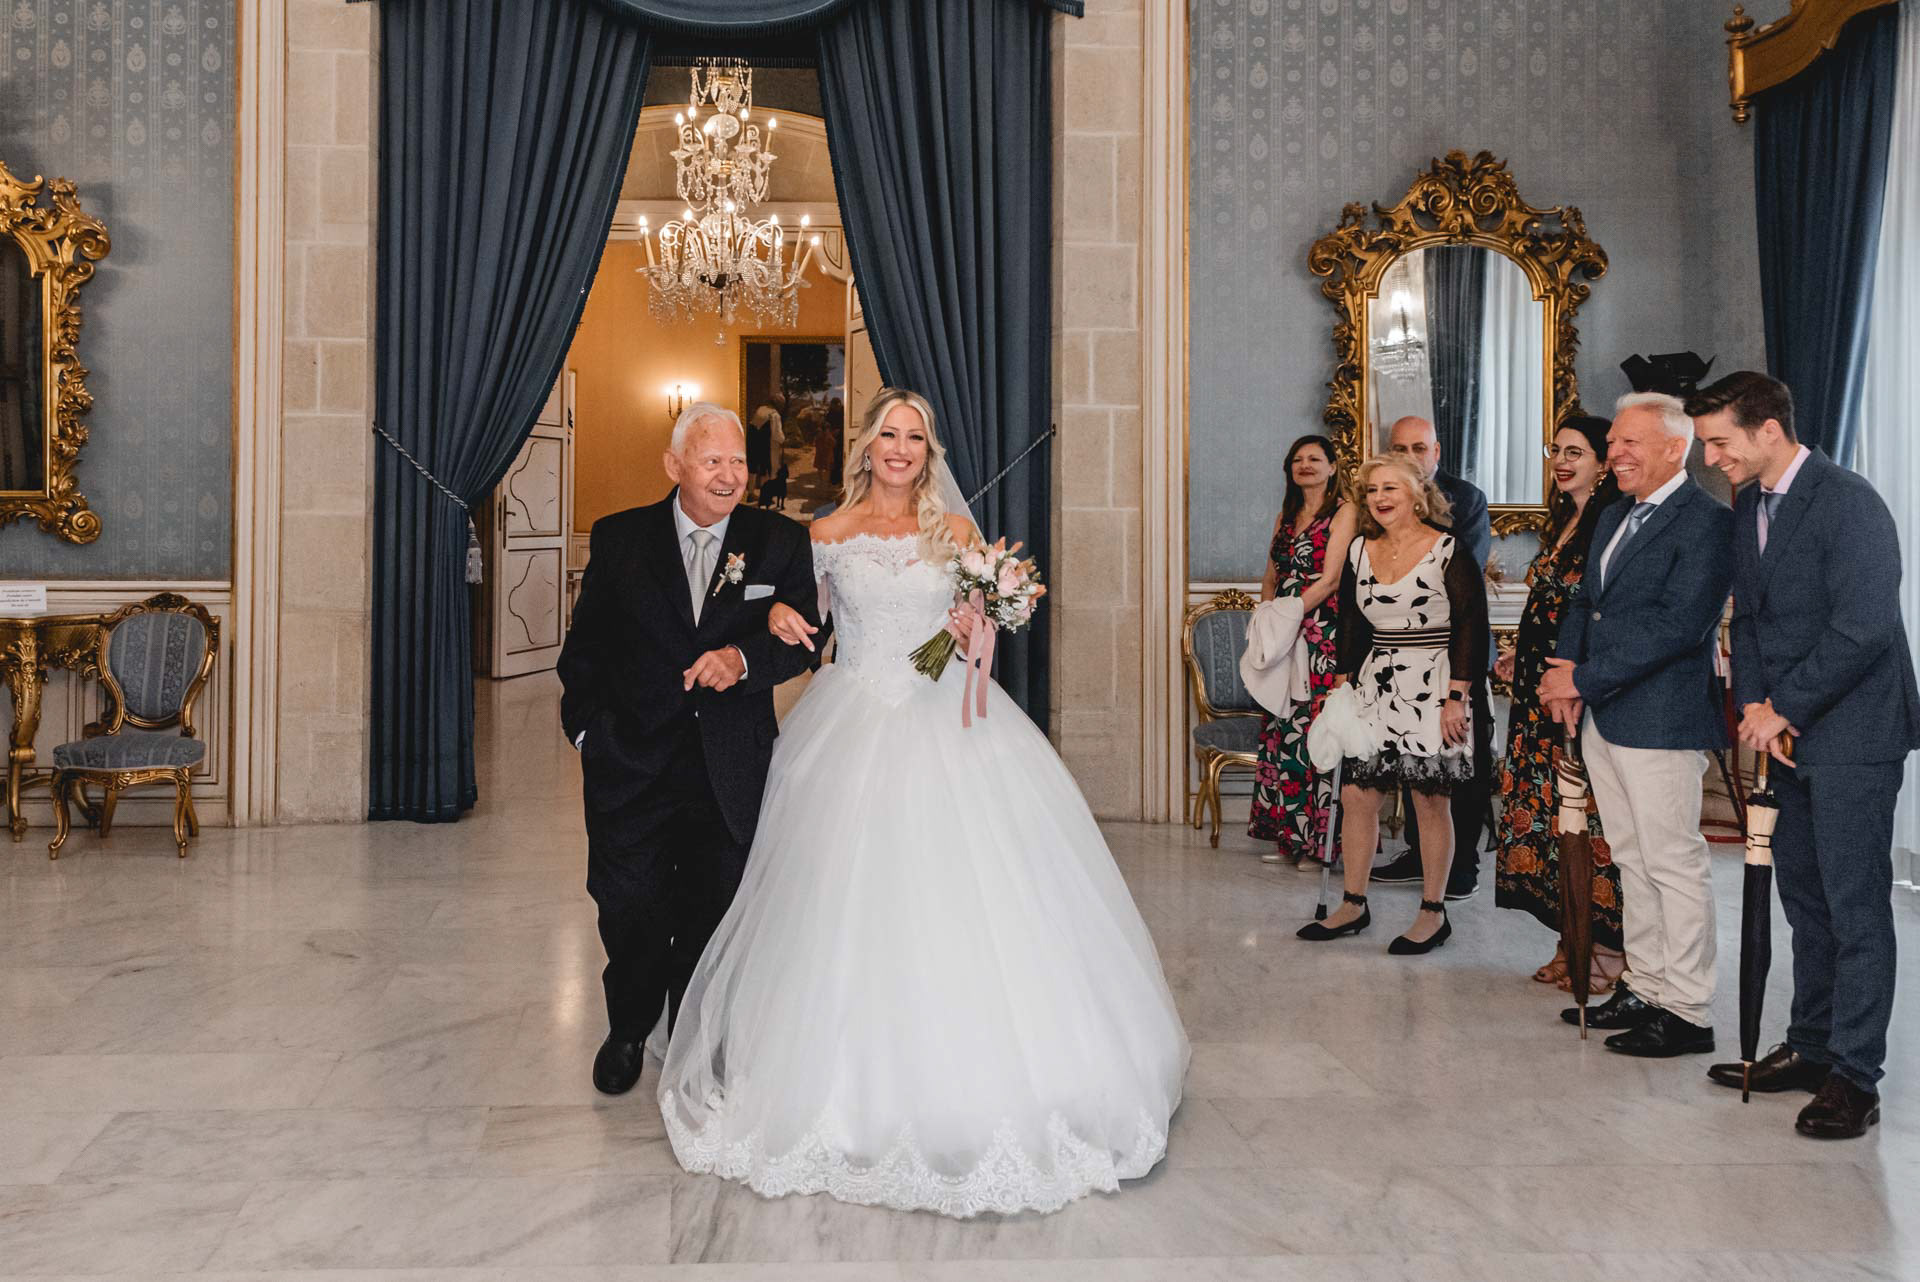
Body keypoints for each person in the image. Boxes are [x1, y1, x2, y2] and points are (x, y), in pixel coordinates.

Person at [657, 387, 1189, 1217]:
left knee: (975, 895)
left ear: (927, 451)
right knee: (843, 904)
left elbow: (953, 633)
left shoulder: (958, 535)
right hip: (848, 723)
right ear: (865, 445)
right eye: (887, 435)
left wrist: (972, 631)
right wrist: (790, 614)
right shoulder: (822, 536)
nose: (899, 449)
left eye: (914, 437)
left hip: (946, 722)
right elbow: (802, 624)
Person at [556, 404, 823, 1097]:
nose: (730, 475)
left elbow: (801, 638)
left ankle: (692, 1032)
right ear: (675, 466)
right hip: (632, 761)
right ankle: (628, 1024)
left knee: (712, 909)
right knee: (630, 907)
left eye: (738, 461)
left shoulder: (778, 541)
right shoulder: (620, 539)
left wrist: (743, 659)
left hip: (727, 765)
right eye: (713, 461)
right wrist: (589, 733)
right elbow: (584, 650)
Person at [1692, 370, 1920, 1139]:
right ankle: (1814, 1047)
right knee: (1807, 902)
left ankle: (1857, 1078)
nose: (1712, 459)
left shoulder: (1849, 501)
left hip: (1855, 734)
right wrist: (1759, 711)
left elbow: (1864, 627)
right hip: (1787, 736)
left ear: (1767, 429)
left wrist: (1783, 707)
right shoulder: (1749, 500)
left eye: (1720, 442)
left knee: (1856, 909)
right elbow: (1750, 622)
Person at [1539, 392, 1732, 1058]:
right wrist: (1565, 667)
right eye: (1613, 442)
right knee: (1629, 858)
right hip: (1606, 716)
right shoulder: (1614, 513)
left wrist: (1581, 680)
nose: (1614, 453)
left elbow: (1679, 628)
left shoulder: (1708, 522)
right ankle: (1646, 988)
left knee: (1673, 863)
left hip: (1663, 717)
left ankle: (1688, 1008)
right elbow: (1584, 601)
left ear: (1674, 448)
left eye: (1629, 444)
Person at [1296, 454, 1487, 954]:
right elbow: (1352, 624)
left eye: (1391, 489)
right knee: (1358, 796)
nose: (1380, 498)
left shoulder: (1447, 550)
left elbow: (1471, 625)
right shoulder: (1360, 550)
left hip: (1436, 682)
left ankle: (1432, 913)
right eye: (1373, 490)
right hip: (1376, 683)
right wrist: (1341, 687)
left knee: (1429, 800)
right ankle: (1353, 904)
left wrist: (1457, 698)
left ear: (1417, 496)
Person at [1493, 415, 1626, 992]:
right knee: (1552, 823)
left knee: (1586, 820)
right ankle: (1569, 942)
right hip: (1533, 693)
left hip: (1575, 693)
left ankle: (1606, 950)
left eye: (1577, 451)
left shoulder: (1609, 523)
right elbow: (1546, 606)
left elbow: (1599, 612)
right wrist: (1514, 652)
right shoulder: (1564, 522)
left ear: (1602, 463)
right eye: (1557, 450)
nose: (1563, 461)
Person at [1372, 415, 1493, 899]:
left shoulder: (1467, 499)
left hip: (1454, 652)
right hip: (1401, 657)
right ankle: (1420, 856)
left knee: (1458, 762)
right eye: (1399, 448)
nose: (1410, 457)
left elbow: (1462, 574)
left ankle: (1461, 867)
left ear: (1437, 451)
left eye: (1419, 448)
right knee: (1413, 763)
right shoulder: (1379, 502)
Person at [1248, 435, 1359, 864]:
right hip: (1282, 630)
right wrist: (1265, 623)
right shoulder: (1285, 515)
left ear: (1333, 466)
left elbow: (1331, 579)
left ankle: (1323, 841)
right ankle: (1288, 836)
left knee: (1317, 728)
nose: (1306, 465)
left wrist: (1291, 613)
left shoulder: (1344, 512)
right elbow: (1271, 574)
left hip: (1320, 630)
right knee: (1283, 727)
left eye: (1315, 459)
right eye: (1298, 459)